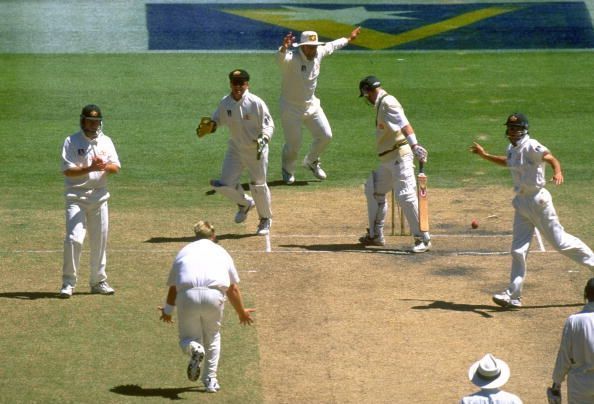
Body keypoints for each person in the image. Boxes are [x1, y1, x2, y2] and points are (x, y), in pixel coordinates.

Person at [470, 113, 594, 308]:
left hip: (538, 201)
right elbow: (507, 162)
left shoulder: (531, 145)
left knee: (561, 243)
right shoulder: (512, 149)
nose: (512, 131)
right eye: (510, 128)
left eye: (516, 128)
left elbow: (550, 157)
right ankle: (513, 295)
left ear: (524, 129)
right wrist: (485, 155)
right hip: (521, 203)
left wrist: (558, 171)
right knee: (518, 250)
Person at [158, 220, 254, 393]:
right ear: (213, 235)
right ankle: (211, 380)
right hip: (214, 296)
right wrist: (241, 312)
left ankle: (194, 348)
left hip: (188, 297)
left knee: (188, 339)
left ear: (195, 234)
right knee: (213, 336)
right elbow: (233, 288)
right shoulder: (221, 251)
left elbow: (173, 287)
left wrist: (167, 311)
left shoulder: (184, 251)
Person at [277, 27, 361, 184]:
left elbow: (332, 45)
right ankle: (287, 170)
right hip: (290, 108)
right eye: (310, 46)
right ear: (302, 46)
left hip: (311, 105)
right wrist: (283, 48)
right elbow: (280, 59)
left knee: (325, 135)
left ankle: (311, 161)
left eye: (315, 45)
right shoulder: (291, 58)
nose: (313, 49)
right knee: (294, 143)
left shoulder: (319, 53)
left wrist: (349, 39)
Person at [357, 75, 431, 253]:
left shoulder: (388, 102)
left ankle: (423, 238)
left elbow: (404, 124)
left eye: (365, 95)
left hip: (400, 156)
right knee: (373, 189)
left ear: (368, 92)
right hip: (388, 160)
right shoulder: (382, 104)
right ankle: (376, 235)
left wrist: (415, 145)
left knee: (405, 196)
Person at [198, 69, 275, 235]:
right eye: (235, 83)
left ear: (247, 84)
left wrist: (264, 139)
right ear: (230, 84)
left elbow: (269, 125)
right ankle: (245, 203)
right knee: (225, 184)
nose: (238, 87)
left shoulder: (256, 103)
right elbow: (216, 120)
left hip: (256, 149)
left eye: (241, 83)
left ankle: (265, 219)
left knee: (258, 186)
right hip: (236, 148)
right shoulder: (225, 103)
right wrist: (211, 126)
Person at [59, 104, 121, 298]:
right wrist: (90, 168)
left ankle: (98, 281)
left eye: (96, 122)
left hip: (99, 197)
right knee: (74, 239)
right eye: (90, 121)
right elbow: (68, 170)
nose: (93, 125)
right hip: (76, 196)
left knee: (99, 241)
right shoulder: (71, 141)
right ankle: (68, 283)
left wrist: (105, 167)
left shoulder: (106, 141)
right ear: (82, 121)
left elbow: (116, 167)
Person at [548, 277, 594, 404]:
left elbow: (564, 355)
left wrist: (556, 383)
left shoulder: (574, 321)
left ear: (586, 295)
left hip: (580, 384)